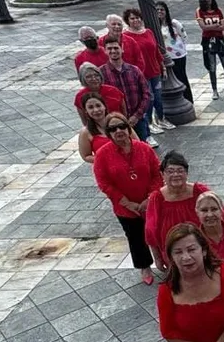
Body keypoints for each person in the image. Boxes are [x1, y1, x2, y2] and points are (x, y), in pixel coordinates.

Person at [91, 113, 160, 284]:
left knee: (157, 232)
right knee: (135, 237)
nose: (119, 131)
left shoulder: (144, 148)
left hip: (150, 203)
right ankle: (144, 267)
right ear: (108, 133)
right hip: (125, 208)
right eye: (113, 129)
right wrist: (127, 203)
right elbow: (104, 183)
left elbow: (157, 174)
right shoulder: (102, 155)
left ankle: (165, 261)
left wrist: (149, 198)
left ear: (128, 128)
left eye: (122, 126)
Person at [143, 151, 208, 274]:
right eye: (170, 171)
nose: (176, 174)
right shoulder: (157, 198)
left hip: (202, 250)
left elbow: (220, 215)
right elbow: (150, 231)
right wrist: (157, 257)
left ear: (186, 173)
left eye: (180, 170)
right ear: (162, 174)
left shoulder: (199, 191)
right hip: (173, 253)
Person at [101, 35, 154, 148]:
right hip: (115, 124)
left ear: (122, 48)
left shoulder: (134, 70)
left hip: (137, 120)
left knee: (141, 148)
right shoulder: (101, 73)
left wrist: (137, 116)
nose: (113, 51)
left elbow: (146, 94)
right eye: (109, 48)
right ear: (105, 51)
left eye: (116, 48)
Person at [122, 8, 168, 132]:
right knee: (149, 98)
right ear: (128, 21)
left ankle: (161, 119)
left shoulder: (148, 32)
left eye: (137, 17)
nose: (135, 20)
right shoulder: (126, 36)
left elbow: (156, 50)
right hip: (142, 74)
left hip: (155, 71)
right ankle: (150, 123)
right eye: (132, 18)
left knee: (158, 97)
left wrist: (162, 66)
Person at [155, 2, 191, 104]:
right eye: (157, 10)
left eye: (162, 9)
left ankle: (188, 99)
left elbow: (184, 36)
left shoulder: (174, 23)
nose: (159, 12)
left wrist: (179, 47)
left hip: (179, 56)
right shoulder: (156, 26)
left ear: (166, 11)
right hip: (166, 57)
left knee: (181, 77)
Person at [76, 91, 112, 163]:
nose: (96, 110)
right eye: (90, 107)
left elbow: (136, 143)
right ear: (86, 111)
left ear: (104, 106)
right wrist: (106, 160)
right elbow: (86, 156)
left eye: (98, 105)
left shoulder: (120, 123)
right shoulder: (85, 132)